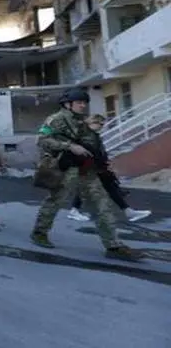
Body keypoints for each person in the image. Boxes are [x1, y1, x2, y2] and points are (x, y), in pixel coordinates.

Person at [30, 88, 144, 262]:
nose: (83, 105)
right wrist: (68, 146)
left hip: (87, 171)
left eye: (84, 103)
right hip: (65, 169)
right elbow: (42, 140)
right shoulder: (56, 120)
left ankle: (113, 245)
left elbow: (95, 143)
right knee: (55, 202)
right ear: (68, 104)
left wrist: (103, 162)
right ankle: (39, 233)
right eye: (79, 102)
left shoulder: (83, 122)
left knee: (102, 206)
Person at [67, 114, 151, 223]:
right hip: (89, 168)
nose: (101, 126)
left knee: (110, 188)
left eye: (103, 124)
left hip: (97, 168)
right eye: (100, 124)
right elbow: (88, 153)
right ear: (92, 123)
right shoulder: (85, 136)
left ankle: (129, 212)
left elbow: (99, 151)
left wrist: (105, 163)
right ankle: (74, 211)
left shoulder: (93, 135)